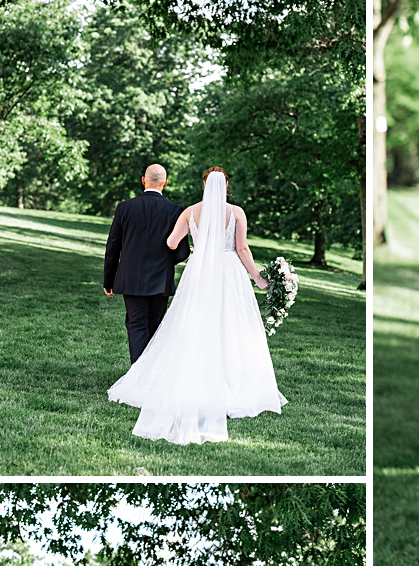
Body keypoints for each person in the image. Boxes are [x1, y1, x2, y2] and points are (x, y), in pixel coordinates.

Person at [108, 167, 286, 444]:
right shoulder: (236, 212)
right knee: (232, 325)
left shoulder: (190, 211)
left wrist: (195, 249)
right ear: (226, 185)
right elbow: (242, 249)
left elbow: (171, 242)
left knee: (193, 324)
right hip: (229, 273)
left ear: (204, 185)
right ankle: (231, 381)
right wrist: (259, 279)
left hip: (199, 274)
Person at [103, 164, 191, 362]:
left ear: (144, 180)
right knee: (156, 326)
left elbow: (113, 247)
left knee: (136, 324)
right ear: (165, 183)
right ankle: (150, 375)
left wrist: (108, 280)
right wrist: (167, 262)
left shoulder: (125, 207)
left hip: (131, 279)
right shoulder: (175, 210)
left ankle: (136, 375)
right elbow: (182, 250)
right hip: (161, 280)